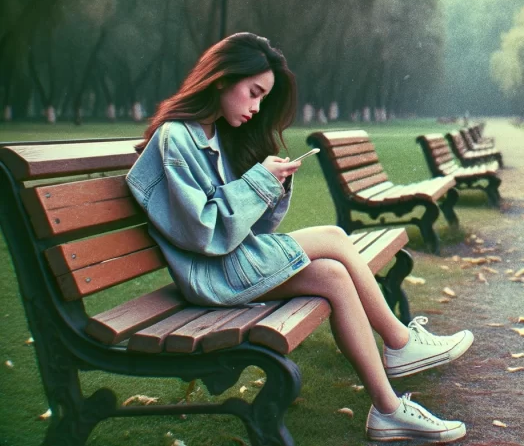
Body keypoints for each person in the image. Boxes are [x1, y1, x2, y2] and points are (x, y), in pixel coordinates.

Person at [127, 32, 473, 443]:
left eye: (262, 98)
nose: (257, 108)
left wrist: (272, 184)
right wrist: (259, 181)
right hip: (210, 275)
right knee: (332, 236)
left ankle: (388, 410)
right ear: (221, 78)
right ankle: (398, 342)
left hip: (227, 263)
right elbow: (202, 232)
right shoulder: (176, 137)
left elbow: (248, 231)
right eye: (253, 93)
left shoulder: (212, 134)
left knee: (333, 276)